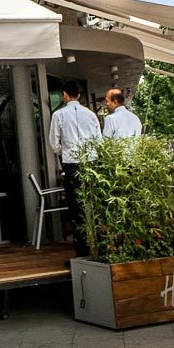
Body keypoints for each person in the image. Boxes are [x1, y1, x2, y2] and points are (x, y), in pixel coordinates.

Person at [46, 80, 101, 255]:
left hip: (71, 164)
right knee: (93, 204)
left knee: (76, 207)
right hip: (91, 163)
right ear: (79, 95)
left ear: (64, 94)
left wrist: (64, 151)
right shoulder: (91, 114)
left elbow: (53, 143)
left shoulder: (59, 115)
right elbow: (98, 140)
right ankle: (97, 246)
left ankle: (82, 250)